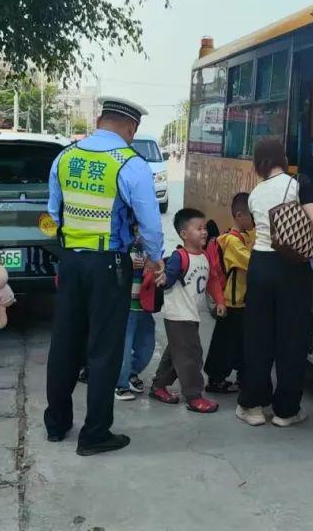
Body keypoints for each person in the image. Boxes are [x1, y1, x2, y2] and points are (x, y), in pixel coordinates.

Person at [44, 97, 165, 455]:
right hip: (108, 265)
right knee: (104, 349)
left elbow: (53, 213)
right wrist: (154, 259)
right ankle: (94, 434)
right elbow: (150, 223)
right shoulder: (130, 163)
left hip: (70, 262)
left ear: (99, 120)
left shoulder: (65, 157)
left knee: (65, 344)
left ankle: (57, 424)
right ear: (131, 127)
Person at [236, 137, 313, 428]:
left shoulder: (255, 193)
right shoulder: (300, 183)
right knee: (292, 339)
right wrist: (303, 246)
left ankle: (253, 407)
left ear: (259, 162)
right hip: (292, 267)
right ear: (282, 158)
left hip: (260, 265)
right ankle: (286, 411)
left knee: (259, 338)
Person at [149, 209, 225, 413]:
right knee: (192, 355)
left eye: (204, 228)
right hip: (178, 315)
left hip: (191, 314)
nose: (204, 232)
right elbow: (167, 279)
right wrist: (163, 278)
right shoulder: (179, 257)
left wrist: (219, 300)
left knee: (176, 353)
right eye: (198, 228)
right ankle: (194, 396)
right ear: (184, 234)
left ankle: (158, 386)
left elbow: (213, 280)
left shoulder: (205, 256)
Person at [203, 193, 254, 394]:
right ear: (240, 216)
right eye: (253, 215)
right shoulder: (233, 242)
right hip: (232, 302)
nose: (255, 219)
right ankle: (215, 380)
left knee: (241, 342)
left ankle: (241, 376)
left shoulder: (243, 236)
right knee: (224, 343)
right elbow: (251, 262)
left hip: (242, 302)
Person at [114, 228, 156, 401]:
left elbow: (158, 265)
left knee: (147, 346)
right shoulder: (119, 243)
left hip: (145, 305)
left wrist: (152, 264)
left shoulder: (151, 245)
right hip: (126, 305)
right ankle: (120, 384)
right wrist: (128, 265)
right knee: (125, 346)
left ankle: (131, 373)